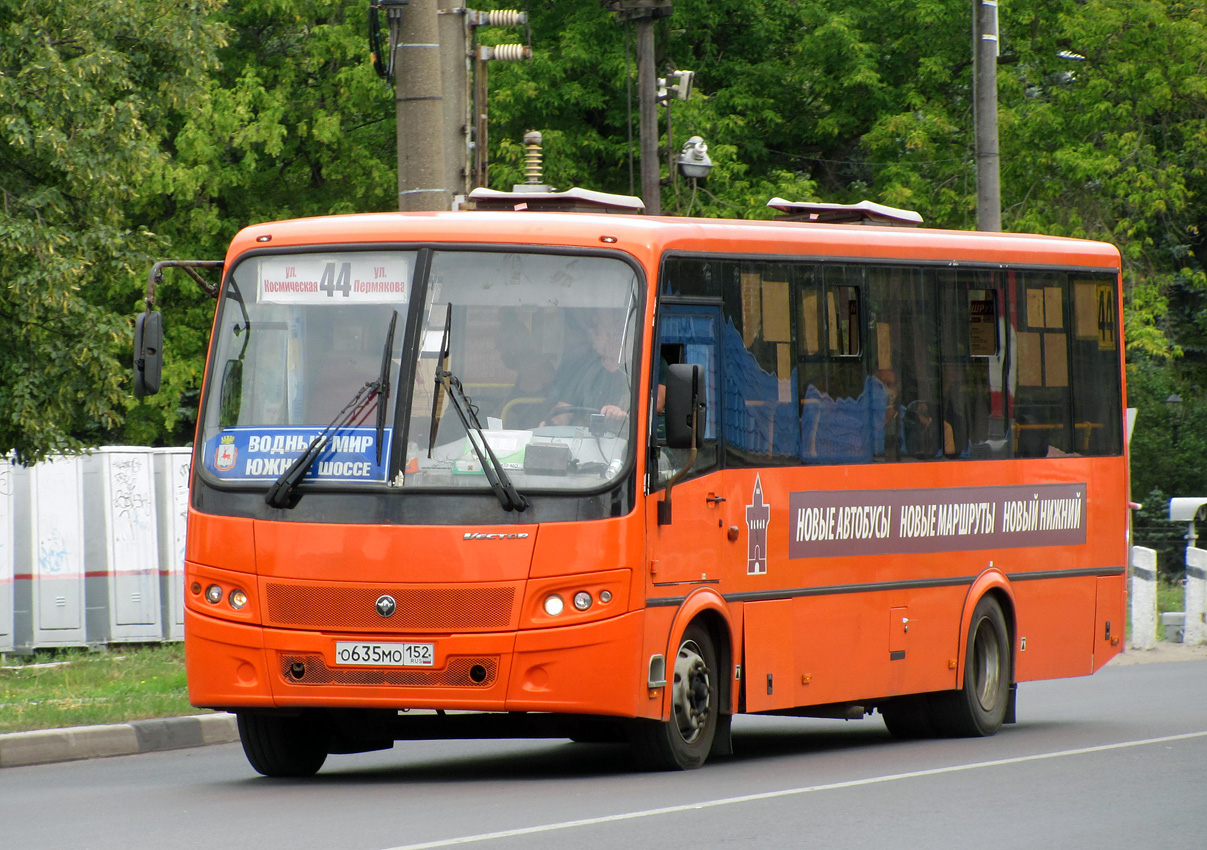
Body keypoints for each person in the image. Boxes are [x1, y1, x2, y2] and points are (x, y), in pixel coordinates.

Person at [544, 309, 632, 429]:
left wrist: (622, 416)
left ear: (617, 333)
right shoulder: (582, 367)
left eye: (597, 327)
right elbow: (564, 408)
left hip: (625, 442)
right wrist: (553, 423)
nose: (591, 332)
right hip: (585, 442)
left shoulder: (640, 366)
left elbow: (651, 411)